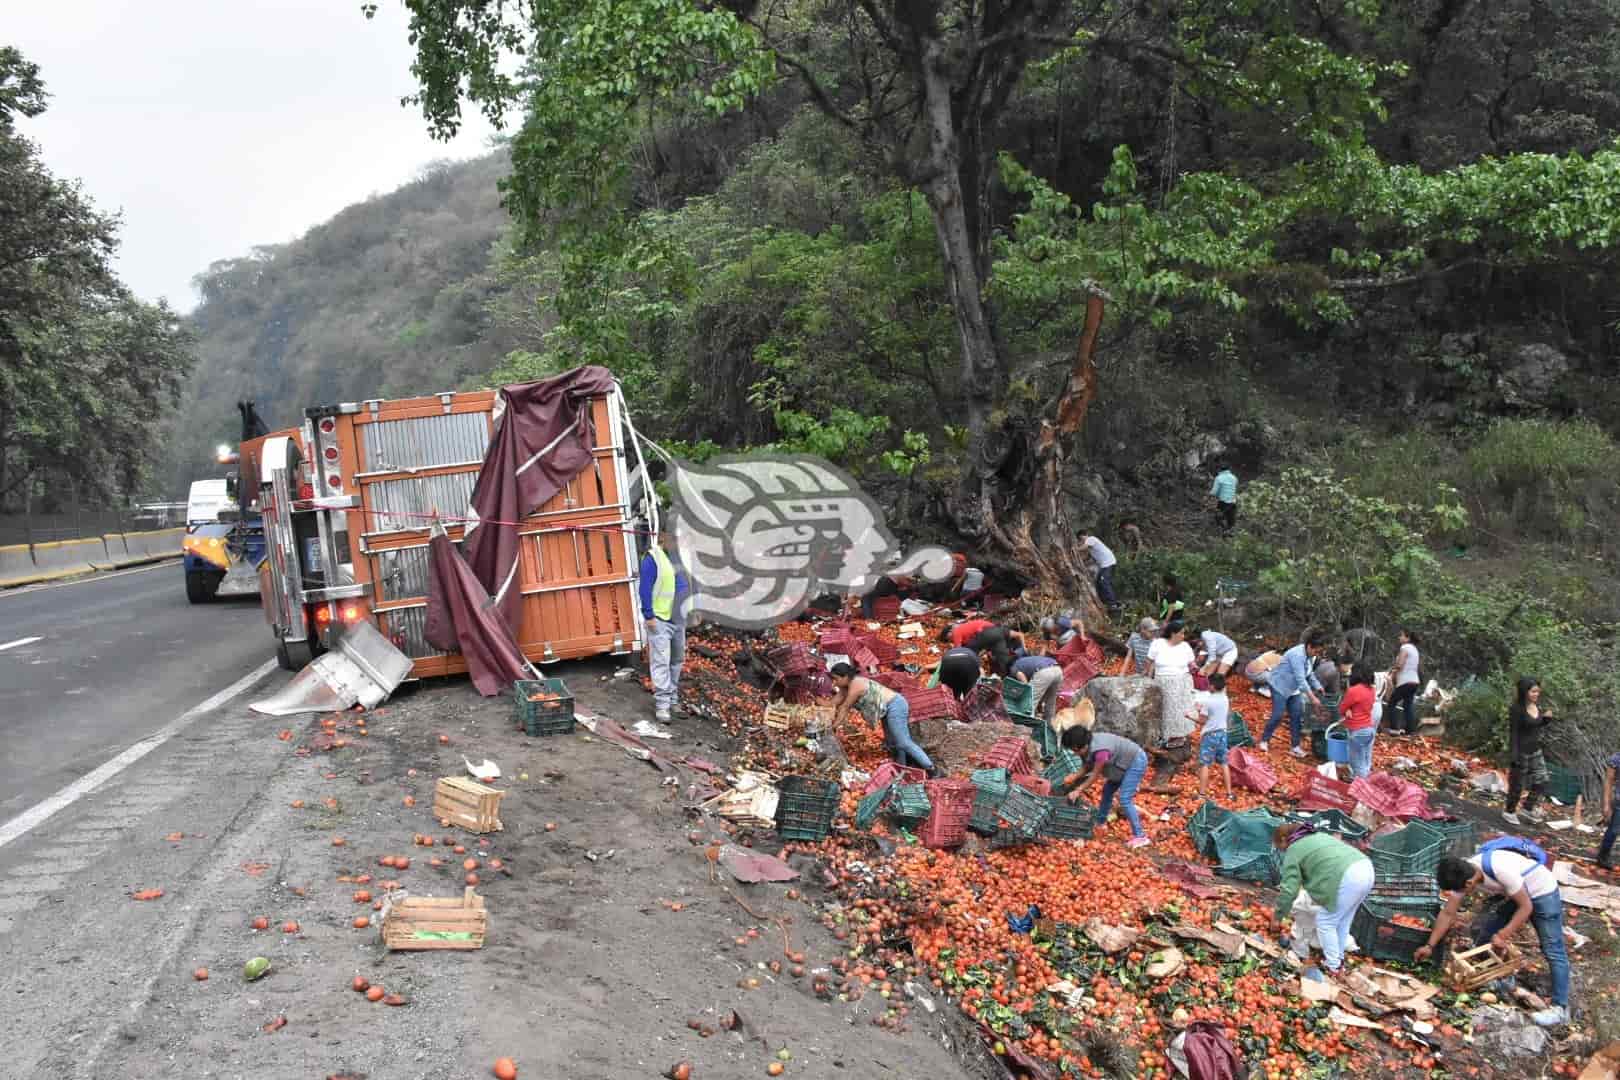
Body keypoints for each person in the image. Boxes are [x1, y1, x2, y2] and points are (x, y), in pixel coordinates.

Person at [1415, 849, 1570, 1027]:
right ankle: (1498, 979)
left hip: (1541, 890)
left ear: (1468, 883)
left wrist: (1504, 934)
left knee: (1552, 947)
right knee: (1487, 933)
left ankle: (1560, 1008)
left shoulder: (1500, 871)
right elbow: (1448, 913)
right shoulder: (1465, 872)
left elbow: (1526, 907)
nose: (1461, 894)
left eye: (1461, 890)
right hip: (1517, 890)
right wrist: (1429, 945)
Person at [1273, 824, 1375, 976]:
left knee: (1325, 921)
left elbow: (1289, 890)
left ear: (1283, 839)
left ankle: (1333, 966)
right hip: (1365, 868)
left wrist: (1277, 917)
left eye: (1279, 846)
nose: (1281, 850)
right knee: (1342, 920)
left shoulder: (1294, 849)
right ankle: (1338, 960)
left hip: (1348, 875)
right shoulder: (1316, 836)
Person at [830, 662, 936, 775]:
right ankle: (902, 767)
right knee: (892, 742)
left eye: (836, 679)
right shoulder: (845, 687)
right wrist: (817, 702)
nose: (834, 682)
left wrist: (834, 726)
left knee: (903, 742)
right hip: (887, 709)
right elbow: (832, 703)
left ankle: (931, 769)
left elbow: (845, 707)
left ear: (845, 677)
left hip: (895, 705)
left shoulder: (856, 684)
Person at [1058, 725, 1150, 848]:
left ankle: (1141, 836)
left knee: (1124, 799)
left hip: (1135, 761)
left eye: (1075, 750)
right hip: (1118, 765)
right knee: (1107, 791)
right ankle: (1100, 822)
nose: (1074, 753)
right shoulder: (1087, 745)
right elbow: (1086, 766)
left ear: (1082, 746)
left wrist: (1078, 790)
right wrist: (1074, 776)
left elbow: (1095, 775)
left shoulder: (1101, 751)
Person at [640, 529, 691, 723]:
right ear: (663, 537)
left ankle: (673, 699)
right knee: (661, 662)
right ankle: (663, 706)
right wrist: (648, 615)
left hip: (678, 619)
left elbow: (688, 585)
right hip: (660, 619)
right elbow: (644, 588)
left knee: (677, 661)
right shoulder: (653, 559)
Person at [1260, 631, 1326, 757]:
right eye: (1316, 651)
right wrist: (1313, 698)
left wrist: (1318, 686)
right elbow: (1301, 678)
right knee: (1278, 714)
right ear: (1309, 646)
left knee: (1296, 716)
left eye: (1319, 652)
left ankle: (1295, 747)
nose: (1316, 654)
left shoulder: (1311, 656)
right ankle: (1264, 740)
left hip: (1293, 689)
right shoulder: (1297, 655)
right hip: (1280, 685)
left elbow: (1309, 673)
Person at [1505, 677, 1557, 825]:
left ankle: (1527, 808)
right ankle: (1509, 811)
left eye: (1537, 692)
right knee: (1517, 784)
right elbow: (1514, 732)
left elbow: (1535, 726)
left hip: (1535, 750)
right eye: (1533, 691)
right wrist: (1513, 755)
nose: (1536, 694)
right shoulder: (1516, 709)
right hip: (1521, 751)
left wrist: (1546, 720)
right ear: (1525, 691)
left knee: (1542, 780)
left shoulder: (1536, 706)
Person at [1145, 621, 1198, 744]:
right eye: (1181, 633)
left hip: (1182, 681)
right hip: (1164, 681)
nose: (1183, 636)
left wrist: (1196, 668)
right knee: (1167, 709)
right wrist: (1148, 677)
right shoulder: (1157, 644)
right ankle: (1166, 735)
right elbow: (1149, 662)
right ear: (1173, 633)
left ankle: (1180, 735)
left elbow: (1192, 663)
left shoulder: (1185, 646)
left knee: (1181, 709)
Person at [1194, 673, 1233, 800]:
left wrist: (1194, 712)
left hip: (1210, 735)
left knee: (1204, 764)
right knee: (1224, 763)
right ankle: (1229, 793)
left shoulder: (1208, 702)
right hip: (1223, 733)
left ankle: (1202, 794)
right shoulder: (1225, 698)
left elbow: (1202, 720)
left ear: (1212, 686)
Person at [1339, 663, 1379, 779]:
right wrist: (1349, 709)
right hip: (1369, 729)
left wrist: (1346, 710)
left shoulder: (1354, 691)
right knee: (1365, 761)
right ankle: (1362, 782)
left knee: (1357, 763)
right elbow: (1359, 706)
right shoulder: (1371, 690)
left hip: (1358, 731)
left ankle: (1363, 789)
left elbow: (1342, 708)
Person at [1011, 653, 1064, 731]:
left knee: (1029, 699)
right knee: (1050, 701)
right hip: (1058, 670)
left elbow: (1023, 680)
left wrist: (1024, 693)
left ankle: (1027, 728)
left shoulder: (1014, 667)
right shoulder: (1027, 661)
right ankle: (1050, 726)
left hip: (1044, 672)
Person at [1384, 629, 1422, 735]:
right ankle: (1410, 730)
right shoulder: (1415, 649)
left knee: (1391, 703)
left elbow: (1400, 665)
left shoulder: (1405, 647)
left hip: (1405, 681)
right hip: (1414, 681)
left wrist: (1391, 671)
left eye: (1401, 636)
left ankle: (1394, 729)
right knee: (1407, 705)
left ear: (1407, 638)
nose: (1399, 637)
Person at [1077, 528, 1120, 609]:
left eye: (1081, 538)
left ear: (1084, 535)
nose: (1081, 541)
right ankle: (1105, 601)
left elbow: (1084, 547)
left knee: (1104, 582)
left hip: (1108, 563)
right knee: (1099, 583)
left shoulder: (1091, 539)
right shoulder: (1091, 547)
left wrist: (1075, 549)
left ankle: (1113, 604)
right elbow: (1087, 558)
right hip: (1105, 565)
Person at [1598, 750, 1620, 869]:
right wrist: (1606, 804)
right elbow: (1608, 781)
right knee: (1614, 831)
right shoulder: (1616, 759)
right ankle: (1603, 857)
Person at [1210, 463, 1238, 533]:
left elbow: (1214, 492)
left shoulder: (1218, 478)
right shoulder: (1234, 477)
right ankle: (1230, 534)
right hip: (1233, 502)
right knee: (1231, 521)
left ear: (1219, 469)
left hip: (1223, 502)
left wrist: (1209, 495)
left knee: (1218, 517)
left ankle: (1223, 531)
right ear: (1229, 469)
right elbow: (1234, 488)